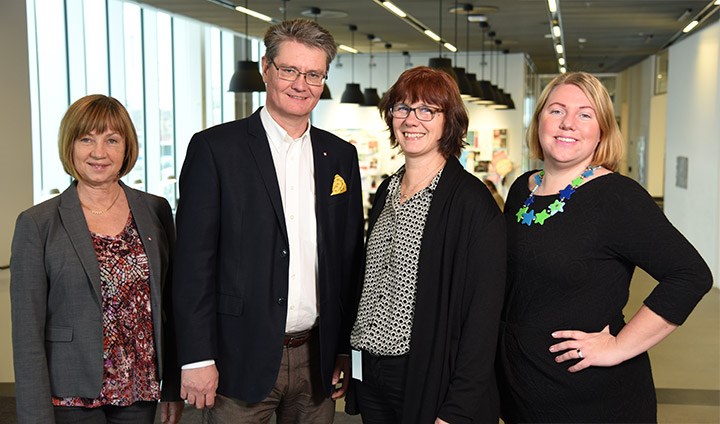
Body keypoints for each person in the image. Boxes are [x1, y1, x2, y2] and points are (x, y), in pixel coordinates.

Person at [172, 18, 364, 423]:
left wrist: (344, 349)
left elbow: (348, 261)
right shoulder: (215, 149)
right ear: (265, 69)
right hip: (237, 357)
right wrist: (195, 357)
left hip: (317, 359)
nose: (301, 84)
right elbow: (193, 264)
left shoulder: (340, 156)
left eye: (314, 74)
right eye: (290, 70)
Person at [497, 71, 713, 423]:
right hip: (524, 394)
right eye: (556, 111)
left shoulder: (617, 197)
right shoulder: (524, 189)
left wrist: (618, 347)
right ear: (538, 121)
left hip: (592, 401)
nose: (568, 123)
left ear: (602, 131)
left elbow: (690, 275)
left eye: (585, 114)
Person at [10, 94, 183, 423]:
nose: (99, 152)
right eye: (86, 139)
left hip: (140, 390)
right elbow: (27, 332)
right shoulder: (38, 223)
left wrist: (171, 386)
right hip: (69, 395)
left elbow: (171, 308)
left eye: (112, 140)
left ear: (126, 147)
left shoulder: (155, 210)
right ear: (70, 146)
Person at [347, 66, 506, 423]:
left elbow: (483, 315)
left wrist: (458, 408)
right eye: (401, 108)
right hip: (371, 371)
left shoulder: (471, 202)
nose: (411, 119)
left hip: (424, 374)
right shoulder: (385, 191)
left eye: (426, 110)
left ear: (448, 121)